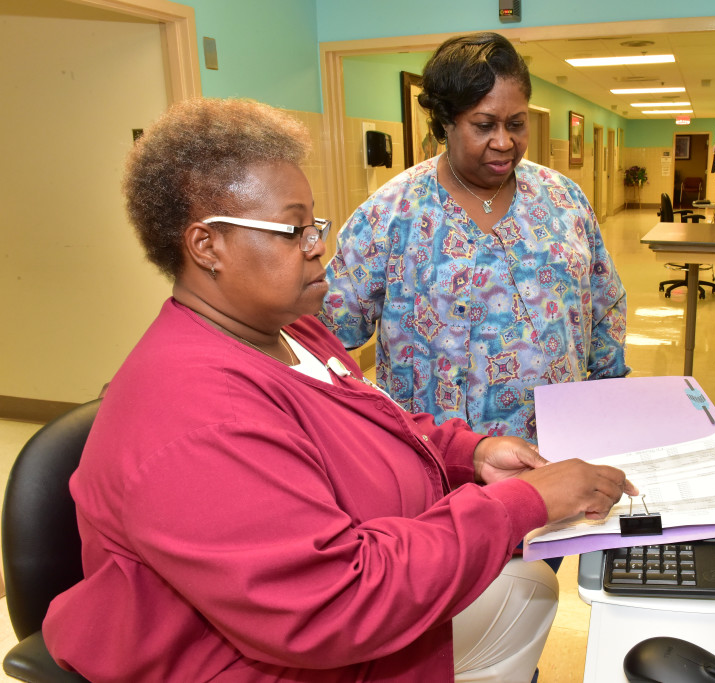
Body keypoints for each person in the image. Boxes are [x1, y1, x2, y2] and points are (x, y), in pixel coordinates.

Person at [41, 98, 635, 682]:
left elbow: (376, 421)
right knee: (522, 591)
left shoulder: (290, 333)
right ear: (207, 246)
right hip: (256, 654)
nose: (317, 244)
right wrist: (524, 503)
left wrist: (470, 454)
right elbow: (332, 603)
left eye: (314, 224)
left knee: (524, 587)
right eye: (292, 229)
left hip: (343, 590)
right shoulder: (200, 413)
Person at [320, 32, 629, 444]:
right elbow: (326, 335)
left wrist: (607, 400)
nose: (504, 142)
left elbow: (607, 304)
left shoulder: (563, 200)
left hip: (555, 448)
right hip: (436, 457)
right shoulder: (390, 214)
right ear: (445, 122)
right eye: (484, 125)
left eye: (516, 124)